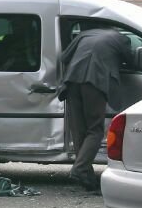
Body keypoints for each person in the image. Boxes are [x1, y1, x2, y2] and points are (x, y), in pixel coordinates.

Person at [57, 26, 134, 192]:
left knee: (79, 131)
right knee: (95, 130)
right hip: (95, 82)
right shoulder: (120, 39)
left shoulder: (84, 34)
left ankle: (87, 178)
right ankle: (80, 169)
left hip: (71, 82)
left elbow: (64, 57)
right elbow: (132, 62)